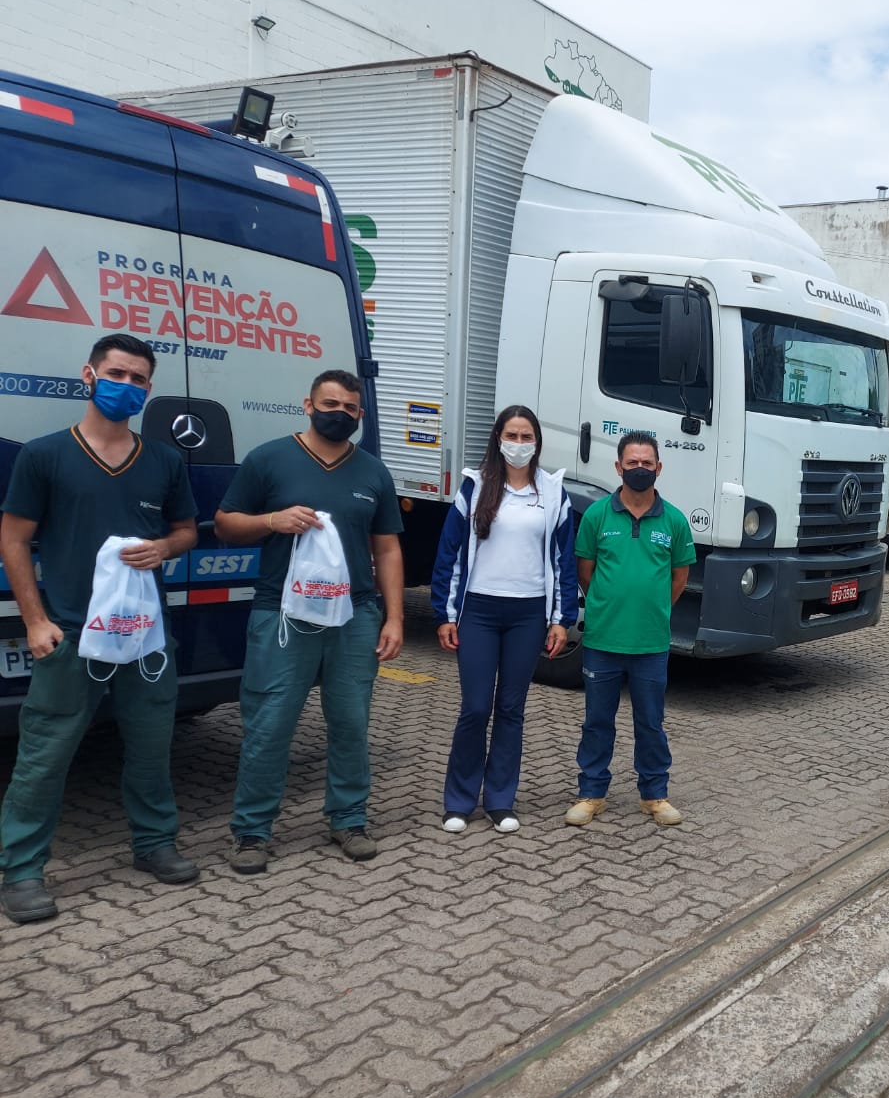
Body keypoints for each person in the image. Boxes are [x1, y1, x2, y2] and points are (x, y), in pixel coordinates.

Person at [0, 333, 200, 924]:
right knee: (46, 752)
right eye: (117, 374)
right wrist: (34, 621)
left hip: (143, 638)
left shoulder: (163, 459)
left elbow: (187, 532)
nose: (128, 386)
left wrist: (166, 546)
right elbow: (13, 539)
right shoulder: (45, 455)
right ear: (88, 376)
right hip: (69, 633)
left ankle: (154, 843)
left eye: (139, 379)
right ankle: (23, 868)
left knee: (150, 745)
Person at [215, 370, 404, 874]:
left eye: (349, 407)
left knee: (350, 723)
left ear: (360, 415)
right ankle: (252, 832)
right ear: (308, 404)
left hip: (355, 614)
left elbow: (386, 548)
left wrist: (395, 617)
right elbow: (225, 523)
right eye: (329, 403)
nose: (338, 412)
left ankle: (348, 818)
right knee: (269, 723)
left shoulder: (372, 472)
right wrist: (270, 521)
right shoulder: (268, 459)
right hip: (283, 614)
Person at [431, 405, 578, 834]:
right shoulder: (474, 488)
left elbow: (562, 560)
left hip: (527, 614)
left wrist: (561, 618)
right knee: (475, 708)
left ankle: (500, 801)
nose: (518, 444)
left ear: (536, 442)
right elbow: (449, 553)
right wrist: (445, 612)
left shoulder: (552, 493)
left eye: (525, 436)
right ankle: (459, 801)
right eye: (511, 435)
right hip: (478, 611)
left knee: (511, 709)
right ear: (498, 438)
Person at [565, 432, 696, 827]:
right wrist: (609, 606)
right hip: (604, 640)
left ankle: (654, 796)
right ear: (618, 467)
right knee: (596, 721)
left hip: (650, 643)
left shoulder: (673, 520)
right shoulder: (597, 516)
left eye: (647, 462)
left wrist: (651, 610)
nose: (640, 469)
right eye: (632, 463)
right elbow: (585, 572)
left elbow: (679, 577)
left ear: (659, 467)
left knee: (650, 722)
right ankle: (592, 793)